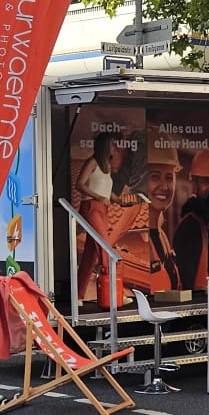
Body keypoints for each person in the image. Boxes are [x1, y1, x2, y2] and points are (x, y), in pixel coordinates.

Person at [74, 131, 121, 309]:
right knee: (104, 248)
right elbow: (80, 184)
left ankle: (78, 294)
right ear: (105, 146)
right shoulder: (92, 162)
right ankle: (114, 292)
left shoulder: (105, 166)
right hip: (91, 207)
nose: (115, 148)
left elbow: (105, 190)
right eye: (112, 144)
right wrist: (98, 197)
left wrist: (118, 199)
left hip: (103, 208)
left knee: (91, 253)